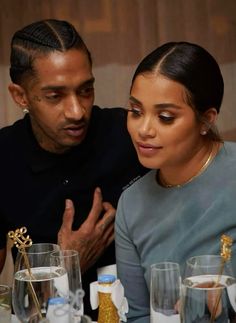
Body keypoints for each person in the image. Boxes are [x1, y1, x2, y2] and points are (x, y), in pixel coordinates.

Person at [0, 19, 147, 318]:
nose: (78, 111)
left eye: (85, 90)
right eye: (55, 96)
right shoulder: (3, 155)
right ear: (20, 96)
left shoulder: (129, 134)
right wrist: (67, 264)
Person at [115, 41, 236, 322]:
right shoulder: (131, 205)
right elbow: (139, 315)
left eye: (165, 117)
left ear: (206, 120)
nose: (144, 130)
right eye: (135, 111)